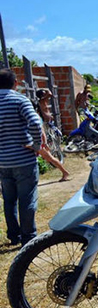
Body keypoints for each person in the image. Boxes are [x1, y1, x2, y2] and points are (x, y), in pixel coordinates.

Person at [0, 69, 43, 246]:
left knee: (9, 200)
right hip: (24, 159)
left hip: (3, 161)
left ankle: (14, 235)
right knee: (27, 198)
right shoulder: (19, 100)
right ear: (16, 83)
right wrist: (36, 145)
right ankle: (28, 237)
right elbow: (34, 122)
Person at [35, 89, 70, 182]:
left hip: (39, 141)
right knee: (48, 157)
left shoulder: (41, 104)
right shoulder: (41, 103)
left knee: (49, 156)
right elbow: (50, 94)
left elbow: (50, 94)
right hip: (42, 133)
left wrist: (45, 142)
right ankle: (64, 172)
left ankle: (65, 172)